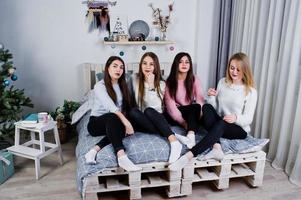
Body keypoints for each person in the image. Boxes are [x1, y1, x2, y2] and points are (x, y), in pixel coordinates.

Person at [169, 52, 258, 171]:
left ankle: (189, 155)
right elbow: (216, 109)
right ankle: (217, 148)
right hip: (221, 122)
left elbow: (248, 118)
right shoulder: (223, 82)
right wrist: (211, 97)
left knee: (221, 123)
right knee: (206, 107)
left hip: (238, 129)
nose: (234, 72)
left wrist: (236, 118)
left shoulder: (251, 91)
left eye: (238, 69)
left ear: (245, 70)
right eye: (232, 68)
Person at [84, 56, 141, 172]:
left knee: (129, 119)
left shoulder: (123, 85)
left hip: (114, 122)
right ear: (107, 69)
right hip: (96, 123)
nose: (118, 70)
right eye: (115, 66)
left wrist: (128, 121)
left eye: (121, 67)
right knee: (114, 117)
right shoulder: (100, 86)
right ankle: (121, 156)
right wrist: (126, 123)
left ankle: (94, 150)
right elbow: (112, 108)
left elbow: (127, 107)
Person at [128, 52, 182, 163]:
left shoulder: (161, 84)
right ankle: (171, 134)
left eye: (151, 64)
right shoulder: (134, 78)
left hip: (156, 117)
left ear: (155, 66)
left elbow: (154, 107)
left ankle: (174, 142)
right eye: (145, 63)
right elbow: (128, 99)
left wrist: (151, 85)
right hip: (141, 119)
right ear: (140, 65)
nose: (147, 67)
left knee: (149, 110)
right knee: (133, 111)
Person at [164, 52, 205, 149]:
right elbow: (170, 107)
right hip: (174, 114)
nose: (184, 64)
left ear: (190, 65)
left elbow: (200, 99)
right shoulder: (169, 82)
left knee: (196, 107)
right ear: (176, 64)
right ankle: (191, 133)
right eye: (181, 62)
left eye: (187, 62)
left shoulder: (194, 79)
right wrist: (184, 123)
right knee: (193, 109)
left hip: (189, 111)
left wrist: (200, 114)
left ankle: (190, 136)